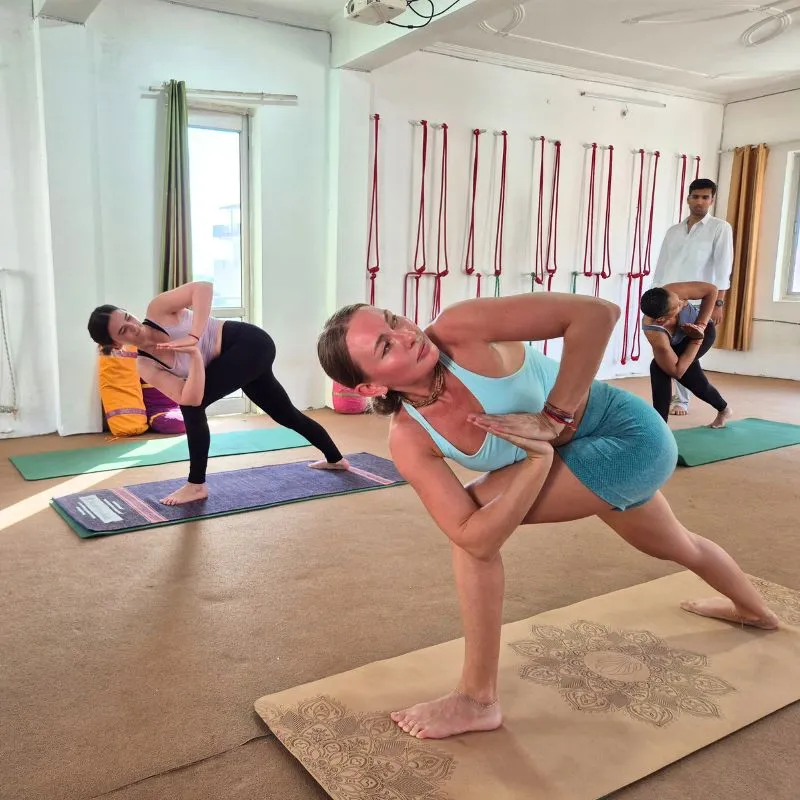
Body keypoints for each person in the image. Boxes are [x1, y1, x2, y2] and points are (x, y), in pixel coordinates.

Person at [317, 292, 777, 741]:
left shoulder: (461, 328)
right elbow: (474, 536)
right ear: (371, 387)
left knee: (475, 523)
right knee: (675, 543)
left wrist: (553, 419)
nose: (406, 333)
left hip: (627, 435)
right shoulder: (410, 439)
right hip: (567, 457)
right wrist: (537, 461)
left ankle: (478, 700)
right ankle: (756, 613)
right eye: (385, 345)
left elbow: (597, 314)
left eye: (394, 319)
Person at [88, 281, 348, 505]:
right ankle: (336, 459)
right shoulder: (145, 364)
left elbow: (203, 288)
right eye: (123, 330)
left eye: (128, 317)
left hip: (248, 343)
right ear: (115, 344)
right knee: (286, 414)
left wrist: (193, 336)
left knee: (193, 408)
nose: (132, 326)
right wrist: (194, 355)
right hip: (237, 361)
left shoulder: (158, 309)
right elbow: (187, 395)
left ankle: (196, 485)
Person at [652, 178, 733, 417]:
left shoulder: (720, 228)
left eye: (705, 197)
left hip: (700, 303)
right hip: (669, 302)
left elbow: (722, 268)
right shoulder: (674, 231)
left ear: (712, 200)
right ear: (688, 197)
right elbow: (662, 267)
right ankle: (721, 408)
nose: (699, 202)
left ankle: (682, 402)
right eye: (695, 196)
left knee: (677, 362)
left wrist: (718, 303)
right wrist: (656, 299)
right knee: (671, 358)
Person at [641, 281, 731, 428]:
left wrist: (700, 328)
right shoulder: (654, 332)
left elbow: (711, 290)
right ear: (662, 320)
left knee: (659, 369)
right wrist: (696, 340)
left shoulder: (672, 292)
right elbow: (677, 371)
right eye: (677, 306)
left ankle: (659, 429)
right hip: (691, 340)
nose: (684, 303)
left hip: (704, 331)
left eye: (680, 300)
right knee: (666, 371)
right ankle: (723, 409)